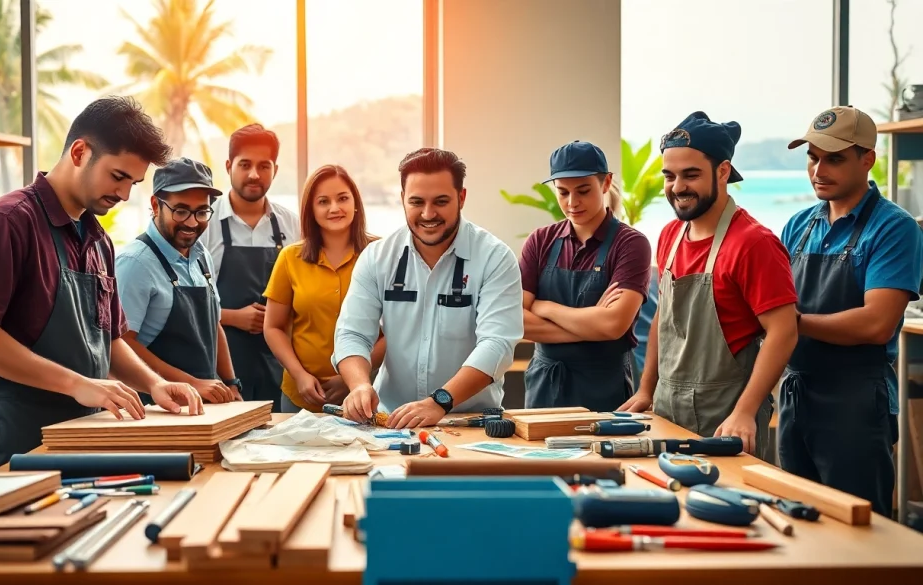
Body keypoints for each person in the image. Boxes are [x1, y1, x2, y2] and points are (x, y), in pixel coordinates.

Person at [0, 97, 204, 470]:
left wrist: (154, 385)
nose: (124, 194)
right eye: (118, 176)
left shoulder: (98, 240)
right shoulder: (7, 222)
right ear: (80, 152)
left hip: (82, 425)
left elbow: (110, 339)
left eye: (133, 183)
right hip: (13, 424)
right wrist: (76, 384)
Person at [619, 111, 799, 459]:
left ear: (723, 171)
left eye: (691, 175)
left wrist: (745, 411)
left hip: (726, 418)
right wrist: (646, 390)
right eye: (669, 176)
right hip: (666, 410)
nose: (677, 187)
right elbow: (663, 318)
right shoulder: (670, 235)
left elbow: (783, 331)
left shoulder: (753, 243)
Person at [779, 106, 923, 518]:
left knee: (860, 531)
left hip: (855, 406)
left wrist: (793, 324)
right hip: (796, 397)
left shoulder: (894, 228)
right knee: (800, 528)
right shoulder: (798, 225)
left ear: (868, 159)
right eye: (812, 157)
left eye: (834, 158)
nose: (819, 169)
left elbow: (877, 323)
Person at [331, 148, 524, 428]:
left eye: (441, 201)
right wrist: (360, 385)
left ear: (462, 197)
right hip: (390, 421)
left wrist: (440, 402)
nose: (428, 213)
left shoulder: (495, 258)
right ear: (402, 200)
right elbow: (352, 333)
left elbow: (497, 344)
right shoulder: (377, 257)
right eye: (416, 201)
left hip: (467, 421)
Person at [519, 141, 651, 410]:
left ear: (605, 183)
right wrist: (591, 326)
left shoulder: (631, 244)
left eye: (583, 191)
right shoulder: (540, 241)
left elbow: (613, 325)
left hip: (604, 386)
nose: (572, 202)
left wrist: (546, 307)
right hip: (544, 385)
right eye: (563, 192)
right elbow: (515, 321)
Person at [115, 157, 242, 406]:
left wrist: (230, 383)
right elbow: (122, 344)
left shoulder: (201, 255)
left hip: (204, 404)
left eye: (202, 211)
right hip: (154, 409)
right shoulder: (134, 263)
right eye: (181, 211)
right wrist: (191, 384)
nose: (192, 223)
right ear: (155, 204)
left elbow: (215, 326)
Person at [263, 165, 386, 413]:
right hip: (302, 397)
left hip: (367, 395)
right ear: (311, 209)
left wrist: (352, 377)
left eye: (342, 198)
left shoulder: (381, 254)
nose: (334, 208)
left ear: (355, 204)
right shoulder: (290, 258)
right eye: (323, 201)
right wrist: (299, 376)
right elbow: (273, 327)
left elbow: (395, 330)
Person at [199, 124, 300, 412]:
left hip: (278, 366)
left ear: (275, 170)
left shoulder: (292, 225)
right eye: (245, 165)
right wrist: (232, 317)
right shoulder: (203, 222)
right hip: (219, 368)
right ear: (229, 166)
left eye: (263, 166)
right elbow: (186, 304)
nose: (254, 174)